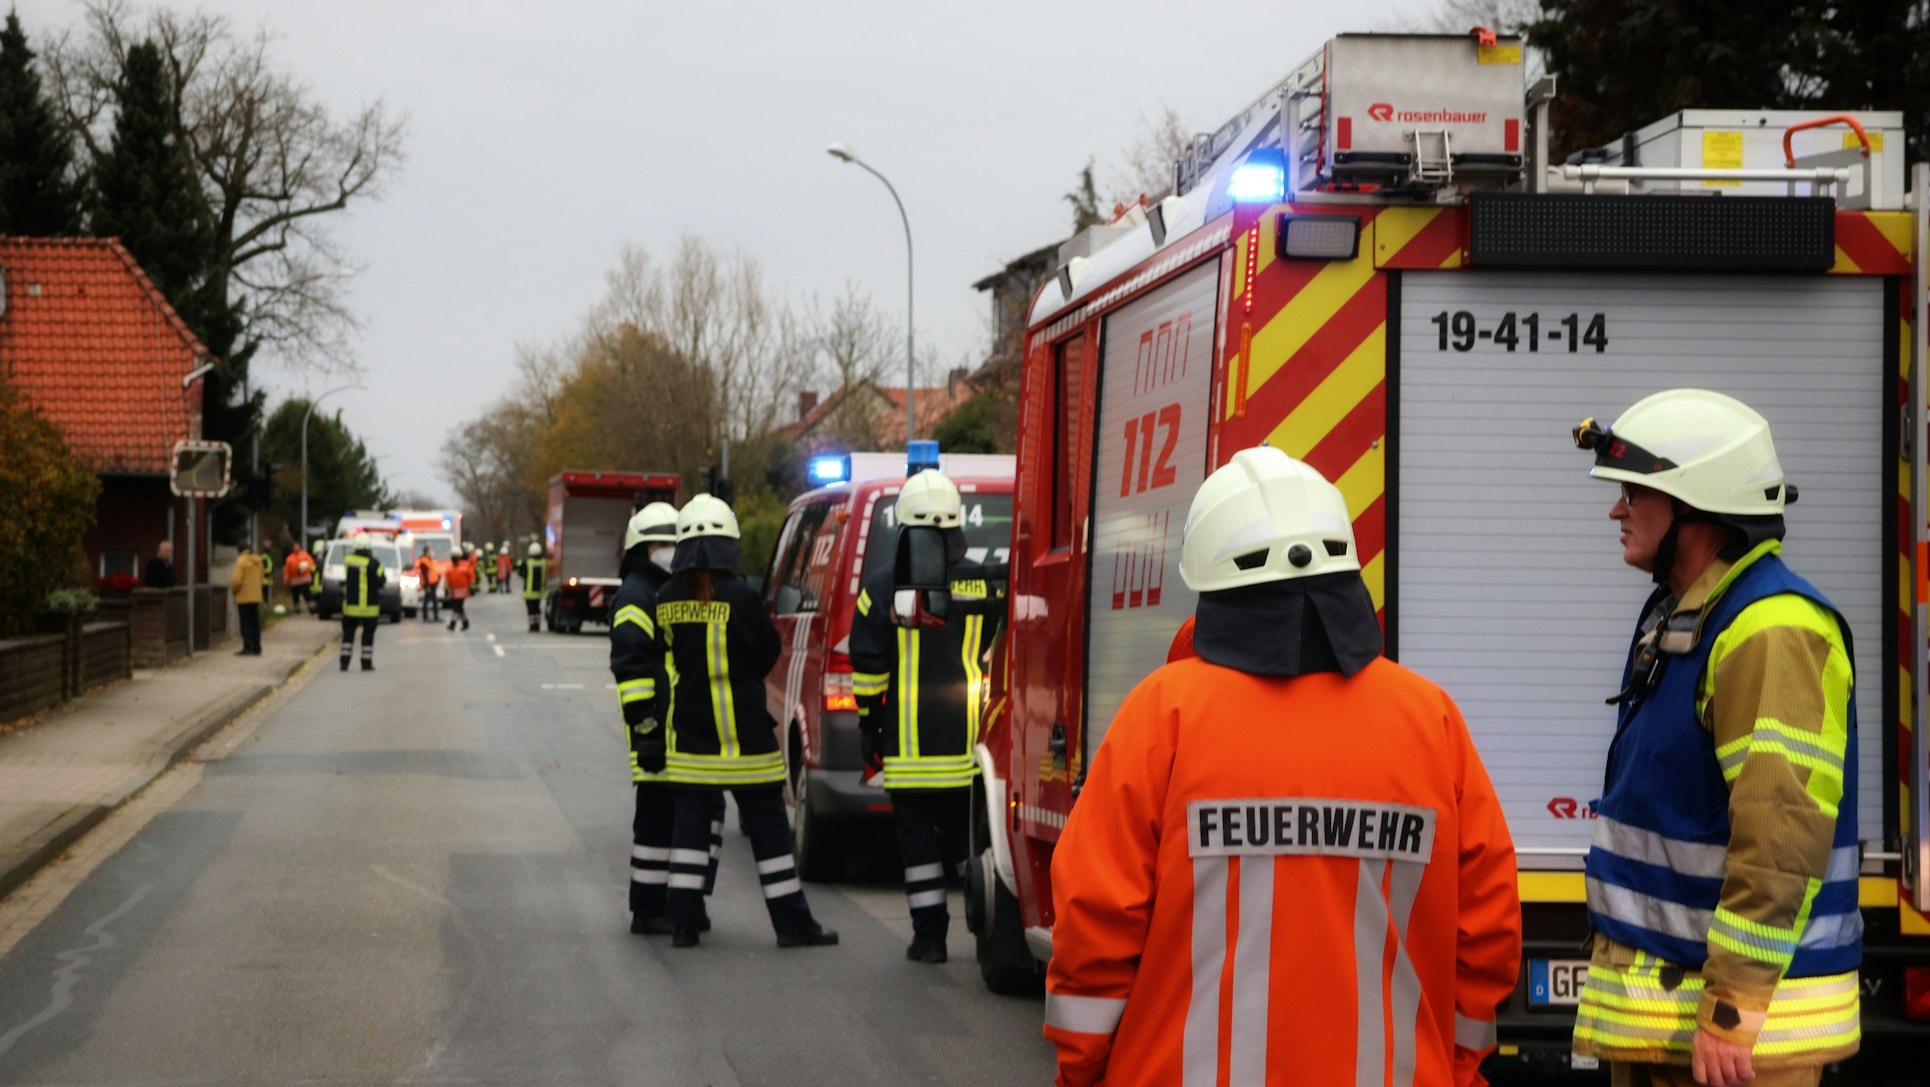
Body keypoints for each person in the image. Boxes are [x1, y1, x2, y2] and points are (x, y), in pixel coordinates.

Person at [1044, 446, 1522, 1087]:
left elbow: (1095, 923)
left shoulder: (1161, 716)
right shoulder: (1429, 721)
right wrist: (1454, 1068)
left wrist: (1084, 1071)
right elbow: (1487, 929)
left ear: (1210, 580)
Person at [1569, 390, 1861, 1087]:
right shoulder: (1692, 618)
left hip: (1737, 1049)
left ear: (1693, 503)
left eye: (1635, 492)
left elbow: (1780, 836)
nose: (1618, 510)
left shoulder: (1772, 629)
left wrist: (1732, 1007)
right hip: (1672, 1029)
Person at [644, 494, 838, 950]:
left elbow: (663, 651)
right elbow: (768, 651)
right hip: (747, 742)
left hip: (692, 743)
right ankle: (792, 926)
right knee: (771, 840)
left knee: (689, 838)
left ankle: (685, 925)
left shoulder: (665, 597)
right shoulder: (741, 596)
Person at [848, 469, 1005, 964]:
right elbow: (998, 654)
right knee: (970, 841)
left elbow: (868, 666)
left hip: (908, 748)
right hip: (969, 745)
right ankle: (989, 930)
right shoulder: (983, 581)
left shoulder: (881, 585)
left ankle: (930, 938)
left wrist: (870, 725)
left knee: (917, 846)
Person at [610, 502, 723, 935]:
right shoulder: (638, 595)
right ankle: (654, 908)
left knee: (693, 814)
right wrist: (648, 733)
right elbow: (633, 670)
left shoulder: (671, 588)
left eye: (676, 543)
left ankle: (679, 903)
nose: (669, 550)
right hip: (656, 732)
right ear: (642, 549)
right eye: (661, 543)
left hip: (679, 730)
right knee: (660, 819)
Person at [339, 532, 385, 671]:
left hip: (351, 607)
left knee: (348, 635)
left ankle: (344, 663)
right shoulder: (373, 563)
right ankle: (366, 663)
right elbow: (382, 580)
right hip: (369, 607)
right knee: (368, 635)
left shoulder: (348, 560)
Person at [230, 543, 264, 656]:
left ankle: (248, 647)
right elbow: (261, 577)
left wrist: (234, 591)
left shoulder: (241, 561)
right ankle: (257, 647)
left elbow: (236, 580)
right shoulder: (258, 561)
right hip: (256, 596)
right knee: (255, 623)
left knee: (245, 623)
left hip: (244, 597)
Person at [517, 541, 547, 633]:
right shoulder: (544, 562)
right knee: (537, 608)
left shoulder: (527, 563)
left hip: (529, 592)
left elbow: (521, 573)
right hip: (539, 592)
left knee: (531, 610)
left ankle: (532, 625)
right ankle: (537, 624)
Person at [444, 548, 473, 631]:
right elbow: (447, 580)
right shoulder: (450, 567)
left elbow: (471, 577)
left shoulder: (465, 565)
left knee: (456, 608)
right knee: (459, 608)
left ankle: (452, 624)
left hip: (463, 591)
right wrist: (446, 590)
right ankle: (465, 623)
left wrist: (471, 588)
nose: (454, 559)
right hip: (453, 591)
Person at [283, 540, 316, 615]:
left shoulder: (305, 555)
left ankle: (312, 609)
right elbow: (287, 571)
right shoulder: (289, 558)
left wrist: (305, 568)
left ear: (300, 547)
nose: (296, 548)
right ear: (292, 548)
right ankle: (297, 610)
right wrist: (286, 581)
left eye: (297, 546)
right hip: (295, 581)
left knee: (308, 595)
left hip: (305, 579)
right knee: (295, 596)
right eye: (295, 546)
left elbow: (311, 564)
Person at [415, 544, 441, 623]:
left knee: (432, 600)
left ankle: (432, 616)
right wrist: (427, 586)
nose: (431, 552)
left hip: (431, 584)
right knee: (429, 600)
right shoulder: (424, 561)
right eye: (430, 551)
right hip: (429, 584)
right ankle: (429, 617)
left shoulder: (427, 560)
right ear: (426, 552)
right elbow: (425, 574)